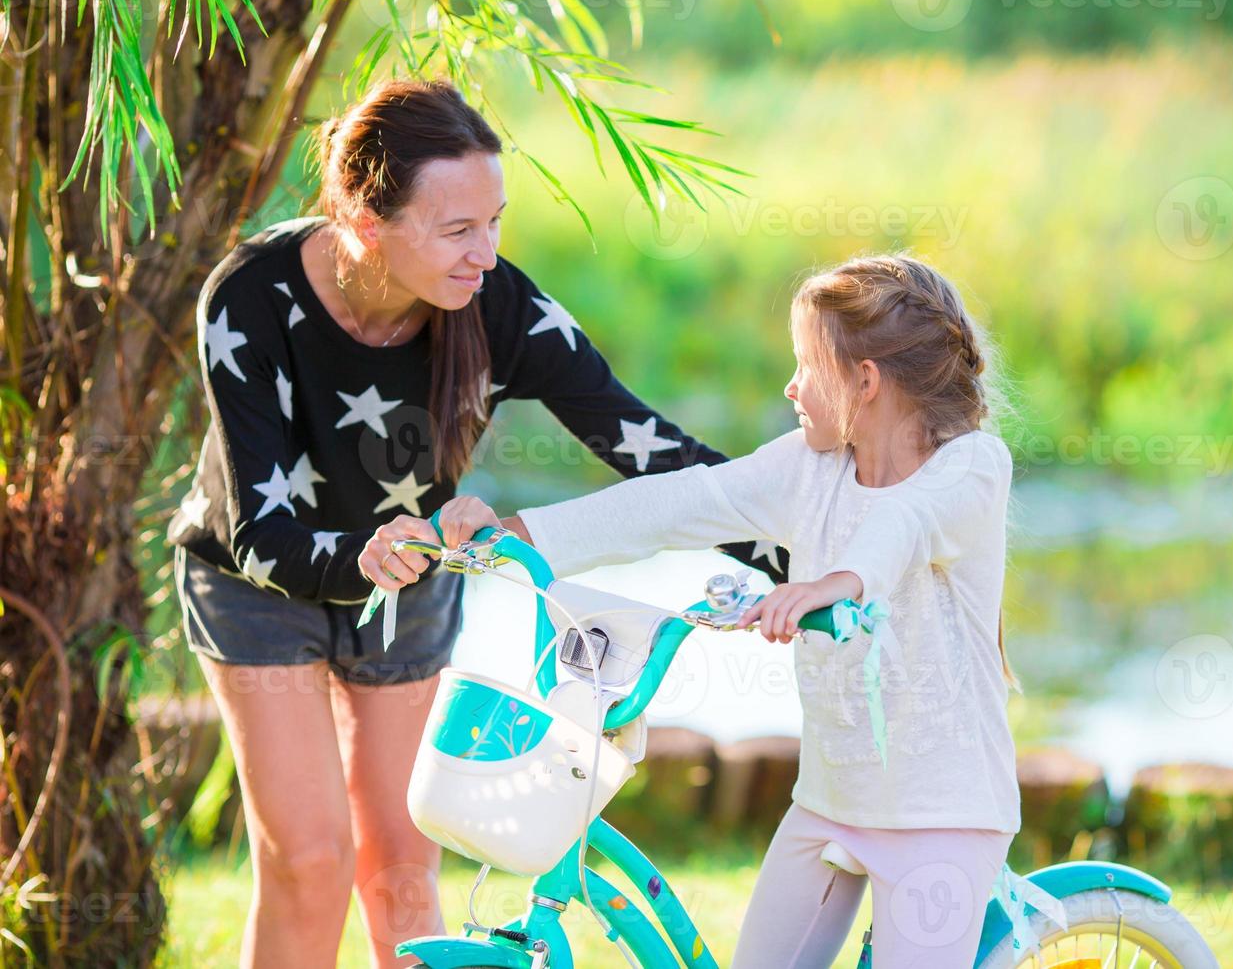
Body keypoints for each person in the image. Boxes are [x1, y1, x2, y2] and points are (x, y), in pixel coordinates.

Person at [164, 77, 782, 968]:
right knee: (308, 862)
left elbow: (648, 449)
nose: (486, 253)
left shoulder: (498, 307)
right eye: (459, 230)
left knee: (405, 871)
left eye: (496, 222)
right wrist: (370, 555)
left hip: (412, 578)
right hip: (261, 585)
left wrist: (795, 548)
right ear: (368, 224)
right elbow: (261, 532)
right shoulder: (251, 298)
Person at [492, 254, 1023, 966]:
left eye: (806, 365)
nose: (790, 385)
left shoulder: (973, 465)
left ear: (864, 382)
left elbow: (906, 520)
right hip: (832, 800)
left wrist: (835, 582)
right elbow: (686, 500)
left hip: (944, 816)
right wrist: (523, 537)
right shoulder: (809, 467)